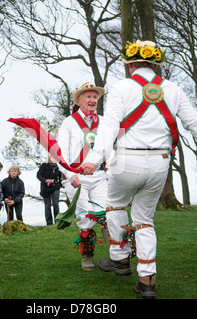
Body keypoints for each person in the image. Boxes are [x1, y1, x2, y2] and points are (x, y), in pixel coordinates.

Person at [81, 40, 197, 298]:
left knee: (114, 205)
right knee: (145, 220)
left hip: (125, 160)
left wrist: (94, 157)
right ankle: (147, 281)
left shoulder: (122, 87)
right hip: (160, 162)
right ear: (155, 63)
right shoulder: (173, 89)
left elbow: (109, 126)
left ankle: (120, 258)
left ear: (131, 64)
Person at [57, 81, 109, 271]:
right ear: (79, 100)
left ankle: (116, 253)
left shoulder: (103, 122)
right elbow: (61, 154)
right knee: (85, 216)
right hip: (75, 177)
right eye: (88, 96)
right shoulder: (69, 122)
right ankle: (87, 255)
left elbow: (108, 148)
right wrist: (69, 174)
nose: (93, 100)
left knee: (106, 212)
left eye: (95, 97)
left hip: (99, 176)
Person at [37, 156, 62, 225]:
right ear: (49, 158)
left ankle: (57, 222)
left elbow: (61, 176)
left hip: (55, 187)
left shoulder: (59, 167)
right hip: (45, 188)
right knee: (47, 206)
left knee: (55, 204)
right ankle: (49, 223)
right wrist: (45, 180)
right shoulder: (44, 165)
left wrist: (59, 184)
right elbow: (38, 175)